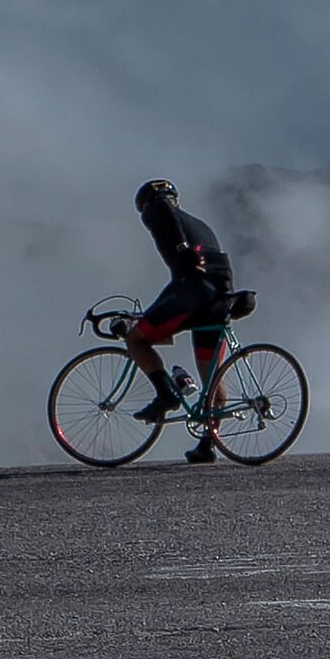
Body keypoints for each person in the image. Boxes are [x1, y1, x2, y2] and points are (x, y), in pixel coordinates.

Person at [121, 179, 233, 463]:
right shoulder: (200, 224)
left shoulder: (158, 210)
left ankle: (166, 394)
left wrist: (182, 250)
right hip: (219, 298)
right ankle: (207, 444)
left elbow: (164, 212)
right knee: (212, 376)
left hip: (192, 292)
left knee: (136, 338)